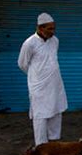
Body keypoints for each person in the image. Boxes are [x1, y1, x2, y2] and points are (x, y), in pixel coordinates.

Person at [18, 13, 68, 146]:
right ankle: (41, 146)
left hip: (55, 84)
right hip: (39, 87)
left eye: (54, 28)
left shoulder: (55, 41)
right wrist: (36, 76)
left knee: (56, 112)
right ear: (40, 28)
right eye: (49, 29)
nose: (53, 32)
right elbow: (22, 64)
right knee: (40, 116)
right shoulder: (29, 44)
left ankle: (54, 143)